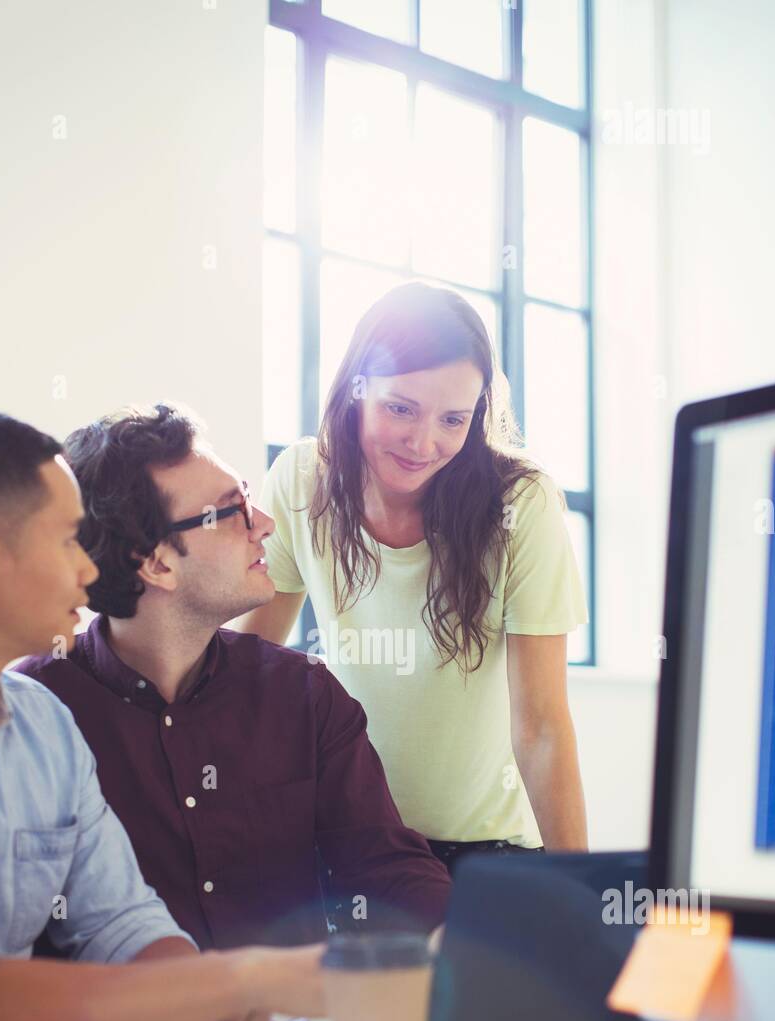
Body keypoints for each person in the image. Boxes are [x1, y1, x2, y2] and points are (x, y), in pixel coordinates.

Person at [0, 411, 324, 1021]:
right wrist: (245, 979)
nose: (91, 572)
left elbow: (121, 923)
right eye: (66, 544)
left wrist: (205, 1005)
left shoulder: (44, 729)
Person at [16, 402, 450, 948]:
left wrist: (466, 939)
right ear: (155, 563)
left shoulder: (303, 693)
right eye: (232, 510)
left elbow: (384, 865)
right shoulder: (35, 707)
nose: (264, 524)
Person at [237, 282, 589, 874]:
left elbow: (542, 727)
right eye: (400, 408)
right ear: (357, 388)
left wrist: (581, 894)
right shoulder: (302, 478)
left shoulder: (521, 502)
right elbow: (249, 667)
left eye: (453, 419)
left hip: (487, 854)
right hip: (348, 843)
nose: (424, 443)